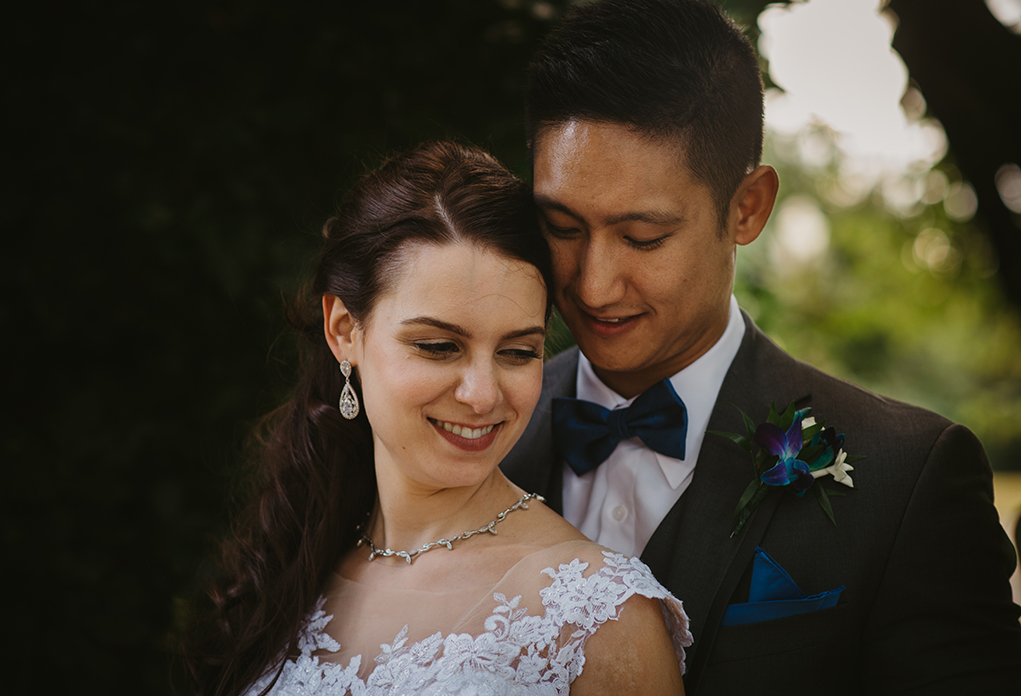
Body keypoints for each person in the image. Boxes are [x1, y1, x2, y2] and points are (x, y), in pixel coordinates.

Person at [500, 0, 1021, 694]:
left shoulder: (909, 481)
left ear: (746, 207)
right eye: (561, 226)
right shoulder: (471, 436)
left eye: (643, 236)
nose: (592, 285)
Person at [180, 141, 691, 696]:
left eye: (518, 352)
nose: (481, 394)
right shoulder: (291, 568)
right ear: (345, 332)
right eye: (438, 346)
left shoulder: (599, 619)